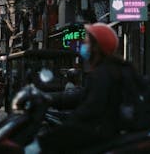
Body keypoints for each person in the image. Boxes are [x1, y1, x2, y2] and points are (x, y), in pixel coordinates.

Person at [24, 23, 132, 154]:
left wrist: (66, 123)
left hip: (103, 135)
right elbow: (82, 96)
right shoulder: (112, 69)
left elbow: (90, 108)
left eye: (87, 42)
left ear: (96, 48)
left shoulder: (104, 74)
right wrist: (53, 99)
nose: (84, 46)